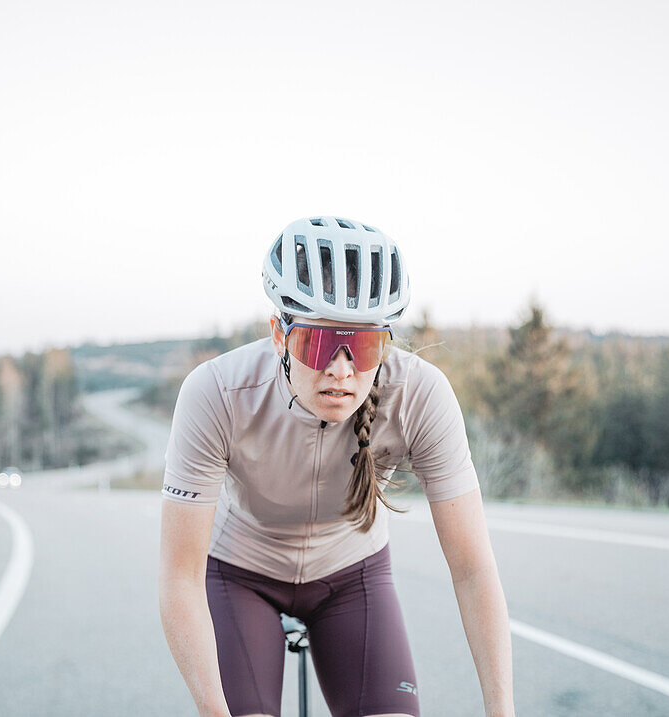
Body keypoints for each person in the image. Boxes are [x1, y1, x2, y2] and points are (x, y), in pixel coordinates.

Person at [159, 217, 516, 717]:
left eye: (364, 346)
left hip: (353, 575)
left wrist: (502, 712)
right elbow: (180, 576)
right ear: (279, 336)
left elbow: (473, 569)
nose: (342, 371)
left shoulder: (421, 394)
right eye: (319, 344)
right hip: (239, 574)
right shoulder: (216, 393)